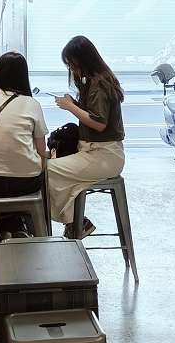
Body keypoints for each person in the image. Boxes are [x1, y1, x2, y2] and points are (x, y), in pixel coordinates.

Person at [48, 36, 126, 239]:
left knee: (45, 171)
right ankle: (76, 222)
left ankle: (75, 222)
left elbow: (99, 123)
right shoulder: (96, 81)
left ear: (83, 61)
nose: (72, 70)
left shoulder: (99, 84)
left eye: (72, 65)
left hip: (103, 155)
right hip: (99, 153)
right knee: (65, 180)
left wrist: (71, 107)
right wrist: (75, 104)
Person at [0, 52, 49, 238]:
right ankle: (20, 229)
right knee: (34, 177)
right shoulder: (32, 104)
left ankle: (7, 229)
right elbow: (42, 152)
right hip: (27, 182)